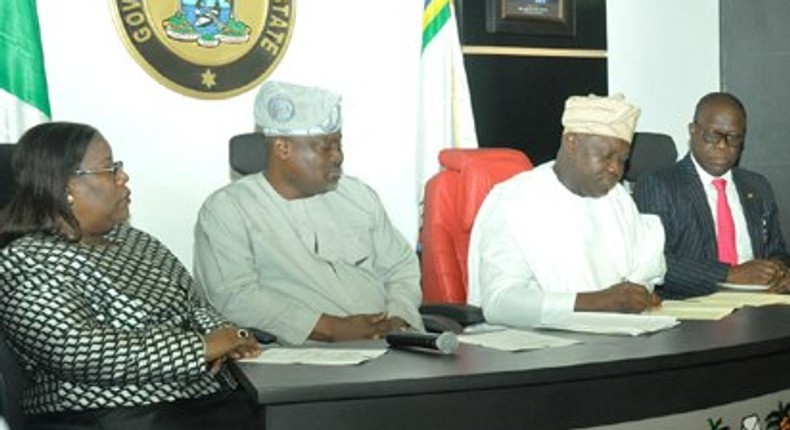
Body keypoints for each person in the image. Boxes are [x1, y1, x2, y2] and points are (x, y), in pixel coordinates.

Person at [0, 122, 261, 430]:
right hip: (105, 416)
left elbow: (195, 307)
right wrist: (202, 348)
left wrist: (232, 337)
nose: (123, 177)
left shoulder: (137, 240)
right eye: (110, 168)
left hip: (198, 401)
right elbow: (80, 350)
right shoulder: (25, 259)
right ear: (67, 185)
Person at [193, 80, 423, 345]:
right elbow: (234, 296)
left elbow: (400, 266)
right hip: (301, 357)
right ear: (283, 148)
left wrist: (398, 318)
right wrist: (331, 328)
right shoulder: (228, 209)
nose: (338, 156)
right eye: (325, 146)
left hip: (390, 346)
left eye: (339, 144)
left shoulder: (358, 196)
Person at [467, 94, 666, 328]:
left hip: (615, 340)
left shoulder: (618, 198)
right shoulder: (514, 201)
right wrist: (598, 302)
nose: (615, 169)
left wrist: (636, 295)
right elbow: (499, 303)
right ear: (571, 142)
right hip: (534, 347)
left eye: (622, 160)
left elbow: (643, 269)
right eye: (606, 156)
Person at [633, 92, 790, 298]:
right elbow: (653, 262)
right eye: (713, 136)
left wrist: (778, 270)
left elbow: (776, 249)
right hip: (694, 309)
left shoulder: (757, 186)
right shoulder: (659, 184)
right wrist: (728, 274)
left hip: (761, 304)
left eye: (733, 138)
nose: (723, 146)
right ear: (693, 131)